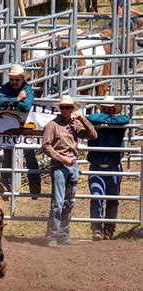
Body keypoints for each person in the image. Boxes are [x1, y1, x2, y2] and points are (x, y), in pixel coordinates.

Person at [42, 95, 97, 247]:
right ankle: (52, 236)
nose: (65, 110)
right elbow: (46, 146)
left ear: (72, 109)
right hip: (60, 165)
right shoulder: (52, 125)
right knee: (58, 203)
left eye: (68, 107)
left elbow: (93, 135)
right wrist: (62, 158)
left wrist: (83, 119)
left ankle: (63, 235)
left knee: (69, 202)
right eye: (62, 107)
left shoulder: (76, 125)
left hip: (72, 164)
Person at [0, 64, 41, 196]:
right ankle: (5, 184)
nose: (14, 82)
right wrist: (17, 99)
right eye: (12, 80)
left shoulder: (27, 89)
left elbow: (26, 107)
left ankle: (35, 184)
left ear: (22, 79)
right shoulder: (7, 88)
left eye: (17, 80)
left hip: (25, 128)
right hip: (10, 128)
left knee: (29, 155)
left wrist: (9, 102)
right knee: (8, 154)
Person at [86, 96, 128, 241]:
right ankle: (97, 229)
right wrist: (105, 118)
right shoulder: (95, 120)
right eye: (104, 109)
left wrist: (105, 119)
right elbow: (91, 117)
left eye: (110, 109)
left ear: (114, 110)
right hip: (97, 166)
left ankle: (109, 230)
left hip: (114, 166)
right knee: (96, 196)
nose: (107, 111)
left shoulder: (118, 122)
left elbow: (124, 120)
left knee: (112, 199)